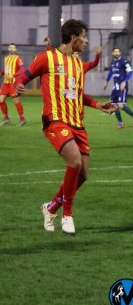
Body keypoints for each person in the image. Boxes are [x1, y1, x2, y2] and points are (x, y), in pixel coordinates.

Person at [17, 20, 117, 235]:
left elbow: (78, 95)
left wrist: (98, 105)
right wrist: (18, 86)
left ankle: (51, 207)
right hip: (55, 120)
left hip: (77, 124)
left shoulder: (77, 64)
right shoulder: (46, 58)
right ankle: (68, 214)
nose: (86, 40)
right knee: (74, 161)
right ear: (73, 37)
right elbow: (25, 76)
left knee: (83, 175)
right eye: (84, 36)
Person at [104, 47, 133, 129]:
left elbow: (130, 72)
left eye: (118, 51)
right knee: (114, 105)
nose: (116, 53)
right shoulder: (113, 61)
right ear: (112, 53)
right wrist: (106, 82)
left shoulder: (124, 61)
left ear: (120, 53)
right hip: (115, 87)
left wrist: (125, 81)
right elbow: (110, 72)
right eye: (115, 51)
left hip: (122, 86)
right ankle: (120, 123)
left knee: (120, 105)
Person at [1, 43, 27, 126]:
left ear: (15, 49)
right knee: (1, 100)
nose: (12, 49)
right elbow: (6, 69)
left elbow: (22, 69)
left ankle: (22, 119)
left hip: (13, 83)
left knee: (16, 101)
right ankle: (6, 118)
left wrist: (14, 75)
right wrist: (1, 73)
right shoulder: (6, 58)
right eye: (10, 47)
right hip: (6, 83)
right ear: (8, 49)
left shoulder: (18, 58)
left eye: (13, 48)